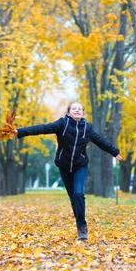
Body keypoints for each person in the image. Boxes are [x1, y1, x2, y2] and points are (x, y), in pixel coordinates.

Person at [14, 102, 123, 240]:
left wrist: (114, 152)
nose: (77, 110)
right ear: (69, 112)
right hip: (64, 165)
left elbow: (100, 141)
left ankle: (82, 227)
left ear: (82, 112)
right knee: (73, 198)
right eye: (74, 108)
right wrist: (20, 131)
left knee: (78, 194)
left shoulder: (87, 128)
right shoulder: (62, 124)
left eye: (80, 109)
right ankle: (80, 223)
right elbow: (42, 128)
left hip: (80, 165)